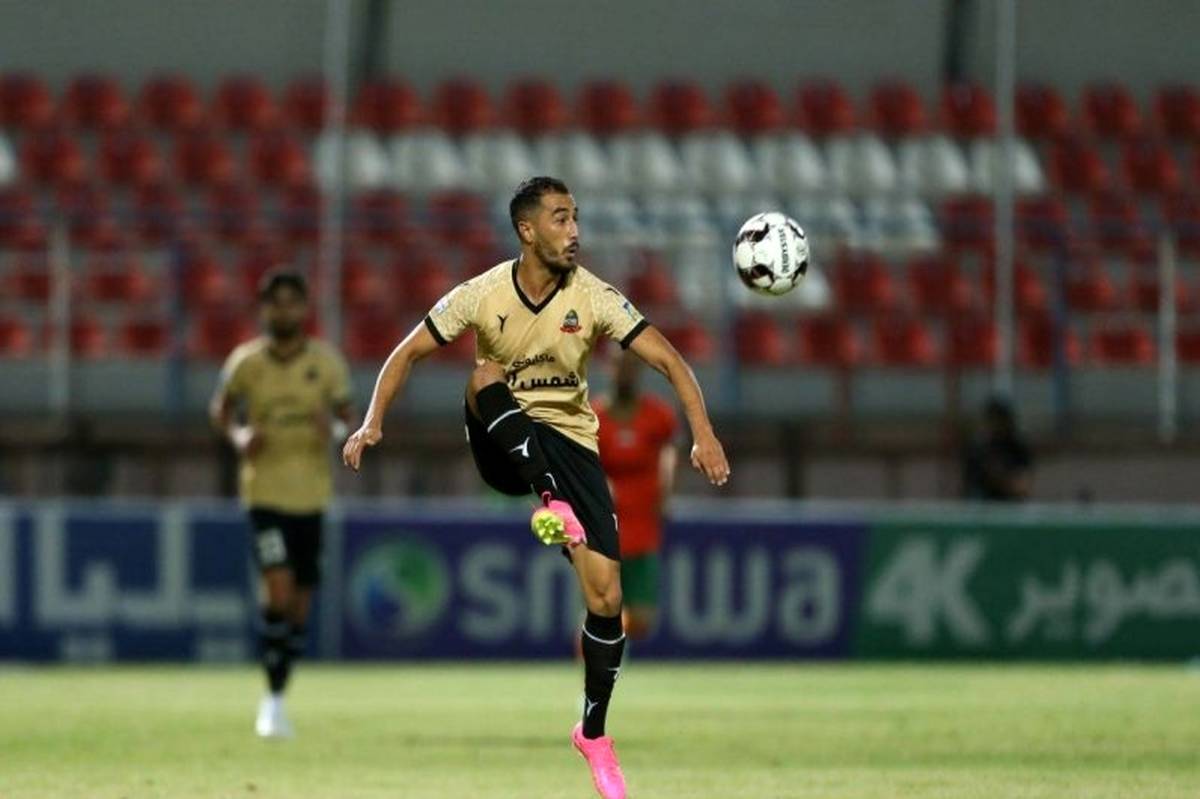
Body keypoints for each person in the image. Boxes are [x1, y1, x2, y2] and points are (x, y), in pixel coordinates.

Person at [342, 176, 729, 799]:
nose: (574, 231)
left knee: (607, 597)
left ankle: (593, 735)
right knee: (483, 373)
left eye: (576, 218)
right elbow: (407, 352)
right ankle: (552, 501)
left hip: (571, 445)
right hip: (501, 442)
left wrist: (703, 434)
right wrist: (372, 421)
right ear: (527, 230)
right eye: (560, 219)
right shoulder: (483, 293)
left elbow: (669, 360)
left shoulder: (593, 296)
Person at [209, 271, 355, 738]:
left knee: (299, 605)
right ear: (264, 309)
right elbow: (221, 409)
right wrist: (239, 436)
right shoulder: (247, 363)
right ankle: (271, 702)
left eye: (292, 302)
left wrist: (333, 430)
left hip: (310, 495)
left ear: (304, 308)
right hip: (264, 493)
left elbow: (348, 419)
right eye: (276, 303)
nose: (284, 310)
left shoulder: (325, 363)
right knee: (277, 586)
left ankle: (278, 691)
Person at [593, 350, 678, 642]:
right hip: (605, 528)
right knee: (603, 606)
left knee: (641, 620)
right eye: (620, 366)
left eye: (631, 367)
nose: (625, 373)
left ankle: (602, 636)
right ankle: (594, 652)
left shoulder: (658, 415)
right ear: (609, 369)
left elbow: (668, 452)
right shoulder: (594, 418)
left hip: (643, 527)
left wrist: (666, 489)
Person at [962, 396, 1033, 501]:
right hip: (981, 505)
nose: (995, 427)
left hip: (1010, 505)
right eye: (991, 421)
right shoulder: (977, 449)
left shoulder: (1017, 447)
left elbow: (1022, 487)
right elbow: (967, 487)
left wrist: (1000, 478)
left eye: (998, 421)